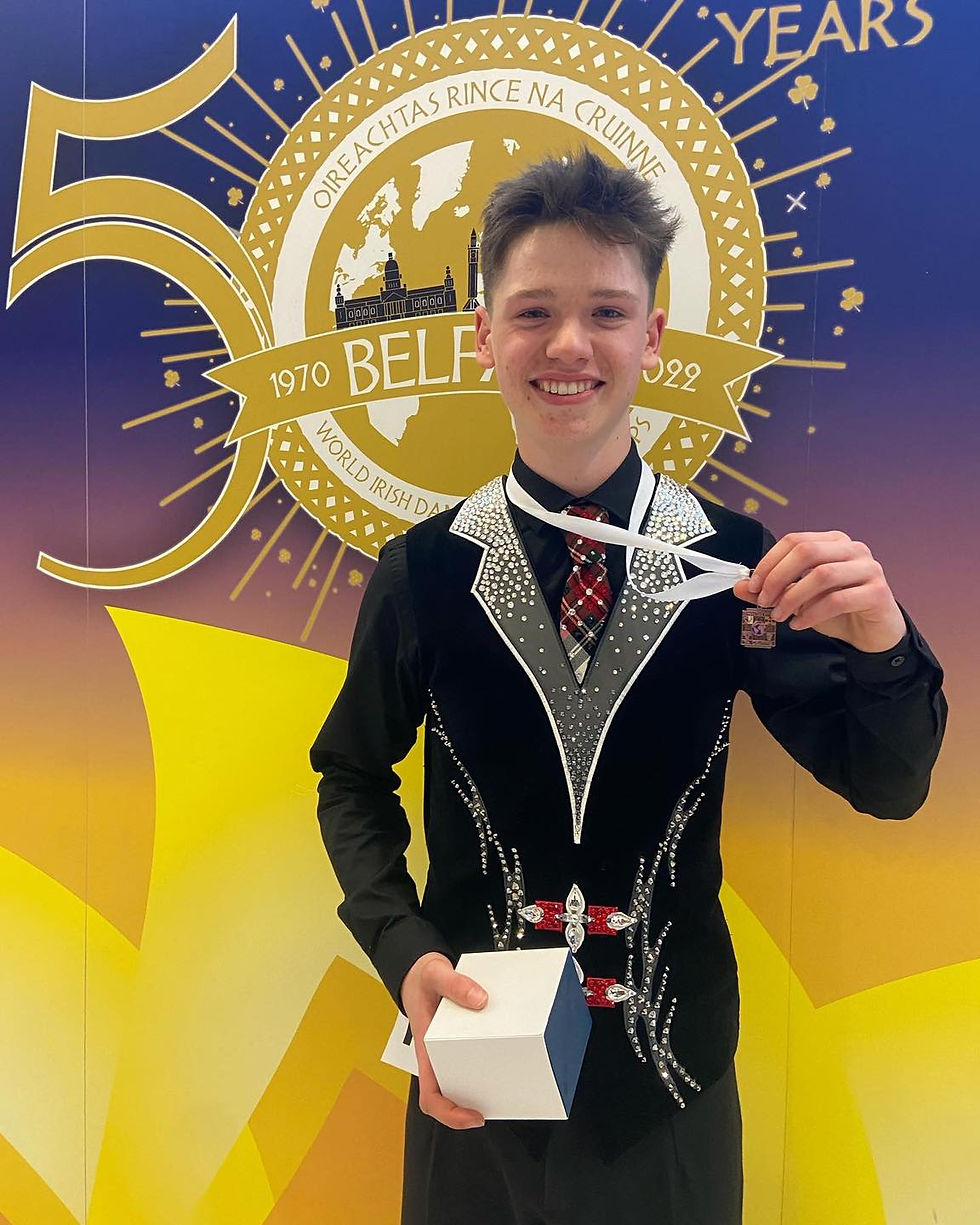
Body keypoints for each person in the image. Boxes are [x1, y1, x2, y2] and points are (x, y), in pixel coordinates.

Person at [310, 150, 946, 1225]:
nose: (567, 345)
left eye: (606, 311)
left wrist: (881, 641)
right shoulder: (422, 570)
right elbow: (348, 777)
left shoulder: (739, 566)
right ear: (483, 333)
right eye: (532, 312)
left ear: (650, 337)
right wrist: (403, 951)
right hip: (473, 1079)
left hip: (670, 1093)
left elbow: (888, 783)